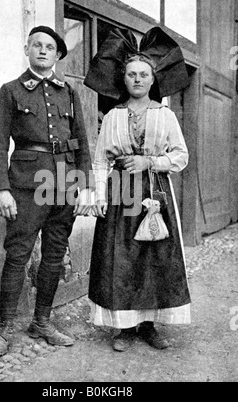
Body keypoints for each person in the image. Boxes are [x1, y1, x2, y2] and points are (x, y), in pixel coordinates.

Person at [0, 26, 93, 357]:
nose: (44, 51)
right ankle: (4, 328)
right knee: (18, 254)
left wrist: (84, 186)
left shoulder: (69, 92)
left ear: (58, 55)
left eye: (50, 47)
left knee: (54, 254)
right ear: (27, 50)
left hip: (63, 187)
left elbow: (81, 142)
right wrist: (1, 189)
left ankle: (42, 322)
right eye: (37, 45)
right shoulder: (11, 91)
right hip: (26, 186)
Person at [87, 30, 191, 352]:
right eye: (131, 74)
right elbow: (101, 160)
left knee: (154, 258)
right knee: (120, 259)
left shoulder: (166, 115)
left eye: (143, 75)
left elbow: (181, 156)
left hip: (156, 193)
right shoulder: (114, 117)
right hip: (120, 194)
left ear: (152, 79)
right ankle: (124, 328)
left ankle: (149, 326)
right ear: (124, 79)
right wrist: (100, 198)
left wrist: (150, 161)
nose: (137, 79)